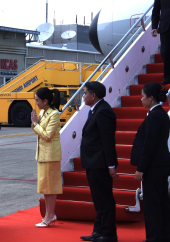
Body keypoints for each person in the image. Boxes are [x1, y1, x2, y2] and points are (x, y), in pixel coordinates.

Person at [130, 82, 170, 242]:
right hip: (161, 164)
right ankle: (163, 236)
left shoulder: (154, 116)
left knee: (152, 205)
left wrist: (141, 168)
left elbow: (149, 144)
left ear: (151, 98)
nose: (141, 99)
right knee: (162, 203)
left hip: (153, 167)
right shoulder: (162, 114)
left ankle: (153, 238)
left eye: (143, 96)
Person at [80, 82, 119, 242]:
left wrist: (111, 166)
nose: (83, 96)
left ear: (93, 95)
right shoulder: (96, 109)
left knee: (104, 200)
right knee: (98, 199)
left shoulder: (103, 112)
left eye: (85, 93)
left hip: (101, 164)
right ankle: (99, 231)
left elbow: (107, 140)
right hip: (93, 163)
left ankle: (109, 234)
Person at [30, 87, 63, 228]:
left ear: (45, 100)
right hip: (43, 154)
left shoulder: (54, 114)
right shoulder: (43, 112)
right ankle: (49, 215)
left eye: (38, 100)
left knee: (50, 188)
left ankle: (49, 216)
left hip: (50, 155)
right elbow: (39, 131)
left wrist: (36, 124)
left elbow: (47, 136)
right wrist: (35, 123)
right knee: (45, 188)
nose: (36, 103)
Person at [152, 0, 170, 84]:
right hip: (165, 26)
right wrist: (154, 26)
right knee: (165, 52)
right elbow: (156, 10)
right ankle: (168, 77)